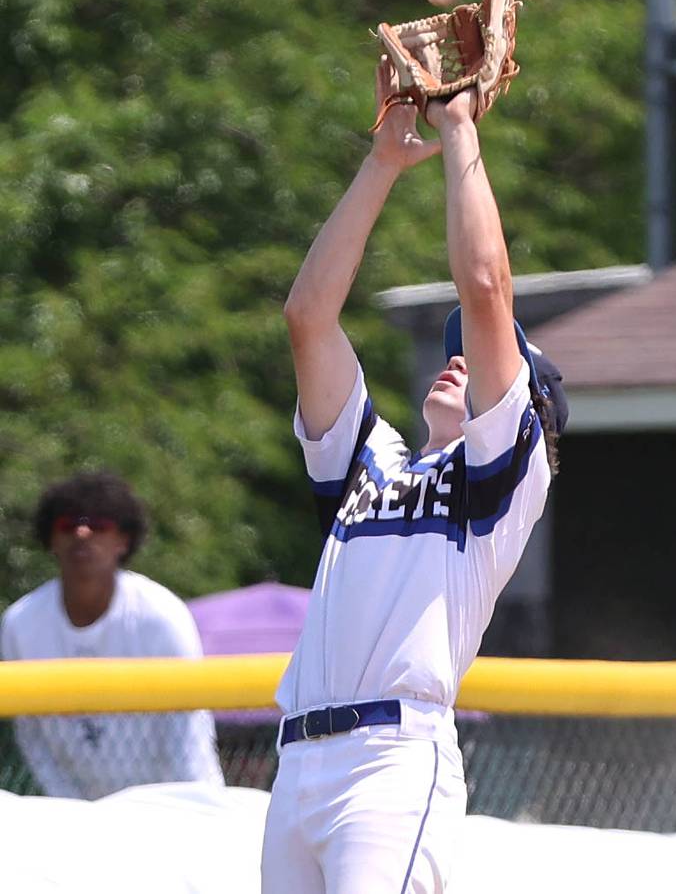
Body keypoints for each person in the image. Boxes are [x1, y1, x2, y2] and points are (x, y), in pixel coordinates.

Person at [260, 60, 567, 894]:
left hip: (389, 769)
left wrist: (461, 128)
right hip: (297, 766)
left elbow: (485, 285)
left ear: (526, 405)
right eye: (452, 356)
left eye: (482, 363)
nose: (458, 362)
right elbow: (307, 317)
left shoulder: (499, 479)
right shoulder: (370, 464)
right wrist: (384, 163)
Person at [0, 471, 225, 799]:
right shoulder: (20, 623)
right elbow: (32, 737)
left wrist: (186, 812)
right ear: (50, 539)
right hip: (79, 811)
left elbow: (186, 737)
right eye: (66, 524)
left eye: (99, 525)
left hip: (172, 803)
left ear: (124, 539)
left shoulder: (160, 615)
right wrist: (74, 810)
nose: (81, 532)